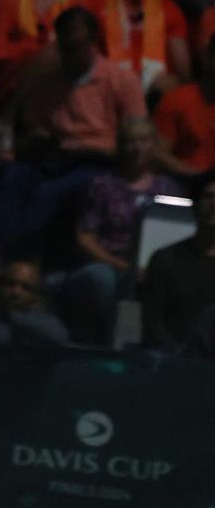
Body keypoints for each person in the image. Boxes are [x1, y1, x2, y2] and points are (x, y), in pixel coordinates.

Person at [0, 6, 146, 255]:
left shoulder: (122, 80)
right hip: (56, 153)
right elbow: (36, 122)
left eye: (78, 47)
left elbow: (137, 133)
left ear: (92, 42)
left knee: (49, 192)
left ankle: (10, 251)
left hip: (98, 159)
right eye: (66, 47)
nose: (71, 54)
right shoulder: (50, 79)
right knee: (15, 176)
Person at [57, 118, 178, 344]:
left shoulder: (167, 188)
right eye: (130, 141)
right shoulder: (102, 185)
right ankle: (98, 345)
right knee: (100, 279)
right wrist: (122, 266)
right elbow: (85, 237)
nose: (136, 148)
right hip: (110, 264)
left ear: (154, 145)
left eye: (143, 140)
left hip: (154, 268)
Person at [89, 0, 189, 98]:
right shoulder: (96, 4)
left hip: (154, 96)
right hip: (107, 94)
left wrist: (172, 82)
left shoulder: (169, 9)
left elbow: (183, 74)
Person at [142, 178, 215, 350]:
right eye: (208, 197)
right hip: (174, 363)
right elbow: (152, 322)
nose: (214, 204)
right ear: (195, 205)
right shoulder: (165, 259)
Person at [0, 260, 71, 347]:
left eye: (26, 288)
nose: (16, 292)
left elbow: (59, 337)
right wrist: (26, 334)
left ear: (36, 296)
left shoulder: (36, 316)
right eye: (10, 284)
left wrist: (18, 317)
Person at [154, 35, 215, 178]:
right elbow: (159, 153)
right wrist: (196, 176)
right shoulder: (176, 99)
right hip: (186, 183)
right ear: (207, 59)